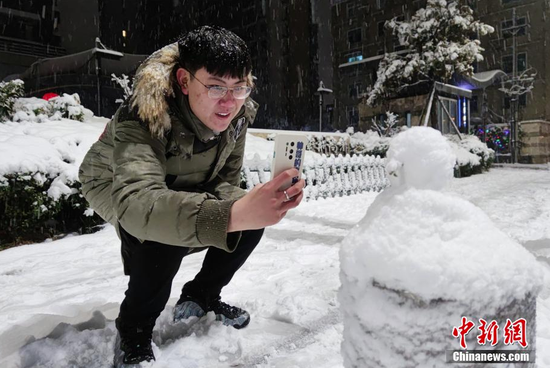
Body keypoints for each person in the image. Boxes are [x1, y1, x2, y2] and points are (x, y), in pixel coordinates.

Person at [78, 25, 305, 367]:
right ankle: (134, 331)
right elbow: (139, 203)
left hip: (176, 182)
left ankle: (201, 297)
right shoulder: (143, 116)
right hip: (114, 182)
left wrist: (252, 204)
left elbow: (225, 181)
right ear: (184, 81)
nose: (229, 101)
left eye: (239, 87)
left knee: (246, 219)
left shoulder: (237, 116)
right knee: (162, 235)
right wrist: (229, 214)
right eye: (215, 87)